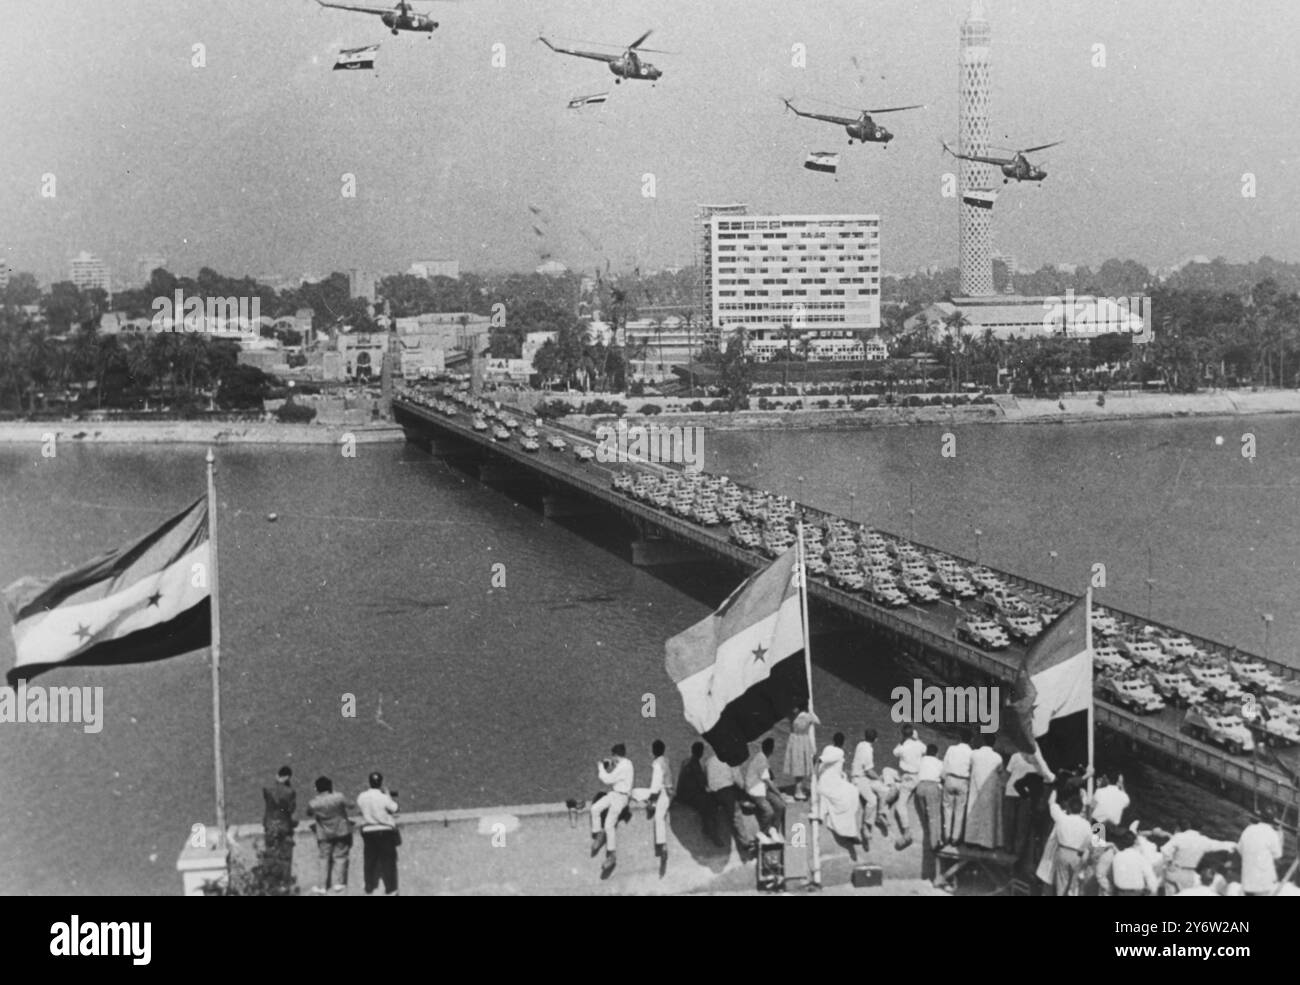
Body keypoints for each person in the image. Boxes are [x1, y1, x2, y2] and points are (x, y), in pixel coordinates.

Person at [1160, 819, 1238, 895]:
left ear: (1189, 825)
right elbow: (1218, 844)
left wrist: (1169, 862)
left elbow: (1165, 850)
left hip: (1174, 870)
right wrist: (1235, 845)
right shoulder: (1203, 840)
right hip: (1189, 874)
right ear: (1201, 829)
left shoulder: (1180, 836)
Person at [814, 740, 863, 861]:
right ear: (842, 743)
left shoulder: (827, 747)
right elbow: (822, 760)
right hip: (828, 785)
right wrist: (814, 774)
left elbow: (826, 764)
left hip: (827, 782)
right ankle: (845, 831)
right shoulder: (839, 752)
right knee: (847, 798)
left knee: (852, 790)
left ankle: (851, 832)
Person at [590, 743, 634, 875]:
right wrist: (611, 764)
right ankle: (599, 835)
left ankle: (612, 855)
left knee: (609, 825)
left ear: (615, 755)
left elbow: (607, 779)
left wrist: (600, 768)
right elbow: (617, 769)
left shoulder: (623, 767)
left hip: (621, 798)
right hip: (615, 794)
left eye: (612, 756)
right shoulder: (626, 763)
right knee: (595, 809)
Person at [705, 745, 755, 857]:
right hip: (726, 792)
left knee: (713, 813)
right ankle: (746, 843)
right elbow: (739, 781)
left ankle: (713, 834)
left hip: (713, 794)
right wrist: (746, 791)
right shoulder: (730, 760)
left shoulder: (709, 761)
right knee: (736, 816)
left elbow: (706, 777)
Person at [306, 776, 352, 895]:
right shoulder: (338, 797)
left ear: (317, 789)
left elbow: (308, 813)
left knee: (323, 859)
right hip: (341, 831)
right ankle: (339, 883)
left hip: (324, 834)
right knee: (340, 856)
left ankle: (322, 886)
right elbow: (351, 805)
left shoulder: (314, 803)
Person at [1041, 789, 1092, 896]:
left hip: (1063, 852)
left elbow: (1051, 803)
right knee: (1074, 885)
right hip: (1077, 855)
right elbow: (1089, 841)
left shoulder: (1061, 818)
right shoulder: (1086, 824)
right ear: (1081, 809)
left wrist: (1055, 788)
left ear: (1068, 807)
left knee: (1062, 883)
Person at [356, 771, 400, 896]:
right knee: (388, 861)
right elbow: (395, 808)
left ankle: (369, 886)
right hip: (384, 831)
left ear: (369, 782)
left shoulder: (361, 796)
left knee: (369, 860)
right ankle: (391, 889)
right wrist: (388, 795)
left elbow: (360, 809)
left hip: (368, 831)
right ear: (380, 782)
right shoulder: (383, 797)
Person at [963, 733, 1004, 850]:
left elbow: (970, 767)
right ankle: (985, 842)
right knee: (988, 815)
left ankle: (970, 840)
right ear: (994, 743)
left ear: (983, 741)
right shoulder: (997, 757)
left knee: (973, 811)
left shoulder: (974, 754)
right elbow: (1000, 771)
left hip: (976, 785)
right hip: (989, 788)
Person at [744, 737, 785, 842]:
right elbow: (769, 782)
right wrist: (779, 794)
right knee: (769, 812)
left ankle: (773, 829)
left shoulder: (761, 757)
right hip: (755, 791)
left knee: (780, 806)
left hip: (762, 789)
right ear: (771, 750)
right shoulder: (761, 760)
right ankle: (762, 833)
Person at [261, 765, 297, 878]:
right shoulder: (290, 792)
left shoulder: (266, 789)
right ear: (288, 777)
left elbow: (268, 800)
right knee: (285, 855)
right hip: (284, 825)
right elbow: (291, 809)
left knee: (270, 852)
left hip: (270, 823)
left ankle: (271, 879)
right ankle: (284, 880)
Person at [1238, 808, 1283, 896]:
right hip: (1262, 884)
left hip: (1247, 881)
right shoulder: (1272, 834)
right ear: (1273, 819)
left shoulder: (1249, 829)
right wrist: (1280, 838)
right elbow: (1278, 855)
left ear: (1261, 817)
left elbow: (1240, 849)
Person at [893, 725, 926, 845]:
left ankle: (907, 832)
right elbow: (925, 749)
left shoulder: (902, 747)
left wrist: (901, 741)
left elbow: (895, 752)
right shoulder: (919, 745)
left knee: (900, 805)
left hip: (908, 777)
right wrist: (916, 739)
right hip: (919, 776)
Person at [851, 728, 885, 841]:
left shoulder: (860, 744)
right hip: (859, 779)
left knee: (882, 790)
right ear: (875, 739)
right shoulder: (868, 750)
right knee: (872, 800)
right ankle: (865, 826)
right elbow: (869, 771)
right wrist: (879, 778)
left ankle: (880, 815)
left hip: (862, 777)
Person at [940, 730, 973, 846]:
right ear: (971, 740)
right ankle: (955, 838)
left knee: (947, 808)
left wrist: (943, 778)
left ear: (960, 737)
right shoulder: (971, 753)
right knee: (960, 810)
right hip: (963, 780)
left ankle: (946, 835)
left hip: (950, 778)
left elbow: (945, 764)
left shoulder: (951, 749)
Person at [1002, 749, 1037, 857]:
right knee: (1013, 822)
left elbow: (1007, 774)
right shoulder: (1016, 756)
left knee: (1018, 823)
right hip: (1014, 792)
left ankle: (1015, 851)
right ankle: (1011, 849)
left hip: (1021, 794)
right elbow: (1007, 774)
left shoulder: (1035, 760)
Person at [783, 706, 820, 800]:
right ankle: (798, 791)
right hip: (803, 740)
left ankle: (798, 789)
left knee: (798, 766)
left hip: (794, 739)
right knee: (801, 766)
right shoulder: (808, 716)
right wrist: (811, 712)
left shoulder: (793, 716)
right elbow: (818, 721)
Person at [1108, 828, 1159, 896]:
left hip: (1119, 892)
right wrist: (1153, 891)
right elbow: (1150, 876)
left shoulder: (1117, 856)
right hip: (1136, 893)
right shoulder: (1140, 858)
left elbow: (1110, 875)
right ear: (1135, 841)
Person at [647, 740, 674, 863]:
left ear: (654, 751)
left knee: (659, 817)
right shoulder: (666, 761)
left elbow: (656, 785)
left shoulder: (657, 763)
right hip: (669, 792)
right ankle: (662, 846)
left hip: (663, 793)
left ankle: (663, 846)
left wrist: (652, 800)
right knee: (660, 815)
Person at [674, 741, 707, 814]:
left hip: (680, 794)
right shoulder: (695, 763)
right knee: (708, 804)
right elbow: (702, 783)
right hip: (688, 796)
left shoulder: (685, 761)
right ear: (701, 752)